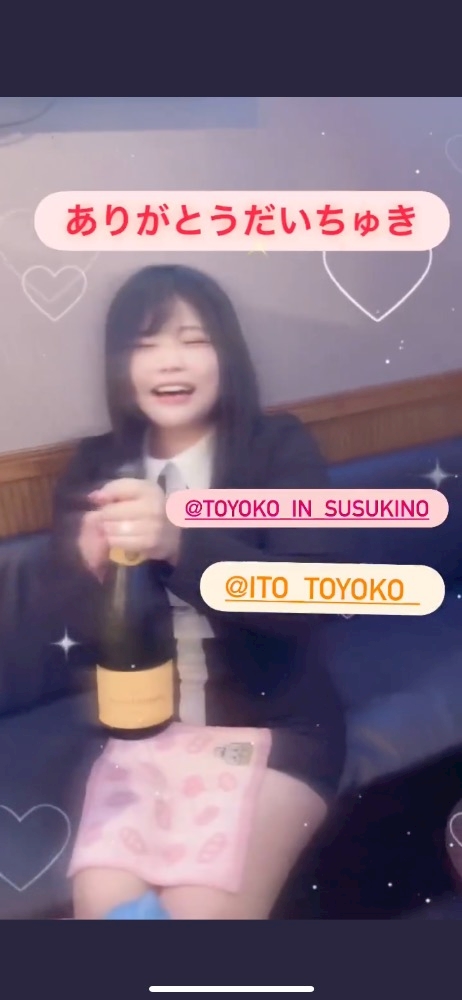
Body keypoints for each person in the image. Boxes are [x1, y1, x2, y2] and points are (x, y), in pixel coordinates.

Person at [52, 264, 346, 920]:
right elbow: (72, 639)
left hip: (276, 728)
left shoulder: (278, 449)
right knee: (106, 906)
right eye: (145, 344)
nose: (170, 361)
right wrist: (88, 578)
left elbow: (312, 599)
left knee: (199, 909)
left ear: (227, 355)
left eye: (194, 339)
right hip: (141, 734)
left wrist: (178, 543)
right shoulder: (94, 467)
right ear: (121, 366)